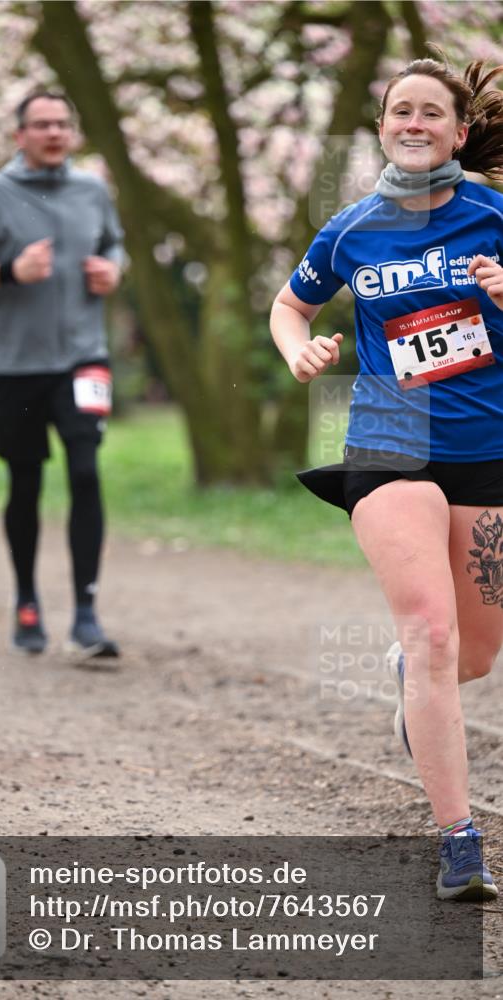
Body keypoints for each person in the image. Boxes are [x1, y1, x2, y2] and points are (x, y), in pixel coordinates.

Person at [270, 57, 503, 901]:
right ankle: (460, 840)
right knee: (433, 635)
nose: (413, 123)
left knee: (472, 654)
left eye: (429, 112)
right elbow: (291, 301)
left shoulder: (494, 216)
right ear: (381, 127)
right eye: (398, 110)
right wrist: (298, 345)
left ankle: (411, 672)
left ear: (458, 131)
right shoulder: (351, 228)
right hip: (389, 442)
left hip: (484, 450)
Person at [0, 90, 124, 658]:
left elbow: (115, 243)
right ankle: (26, 602)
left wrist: (113, 269)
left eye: (62, 124)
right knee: (26, 482)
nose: (53, 133)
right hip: (15, 366)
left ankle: (88, 615)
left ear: (72, 132)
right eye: (41, 125)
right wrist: (8, 272)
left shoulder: (93, 190)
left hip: (83, 357)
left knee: (87, 471)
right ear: (19, 135)